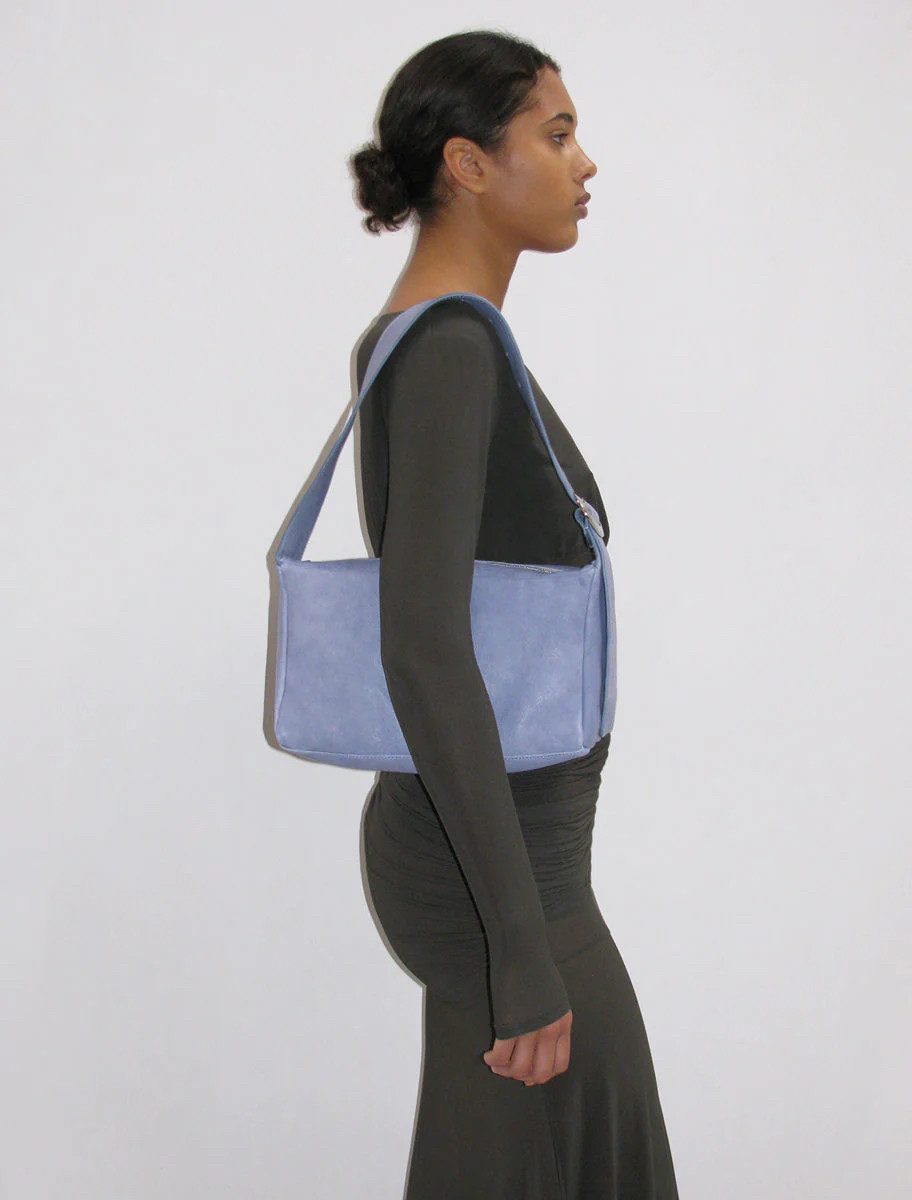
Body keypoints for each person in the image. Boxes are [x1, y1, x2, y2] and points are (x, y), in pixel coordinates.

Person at [347, 30, 680, 1199]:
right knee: (594, 1157)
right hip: (500, 874)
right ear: (469, 163)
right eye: (558, 132)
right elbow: (423, 646)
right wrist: (521, 951)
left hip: (511, 854)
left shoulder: (447, 339)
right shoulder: (447, 348)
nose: (585, 162)